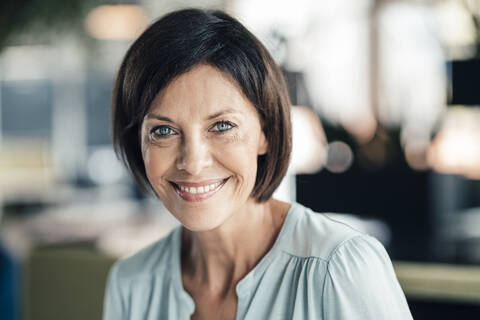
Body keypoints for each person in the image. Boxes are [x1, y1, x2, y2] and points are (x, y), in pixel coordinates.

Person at [103, 8, 413, 320]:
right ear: (137, 142)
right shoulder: (132, 284)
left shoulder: (339, 268)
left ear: (265, 131)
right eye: (164, 131)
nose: (193, 163)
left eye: (222, 126)